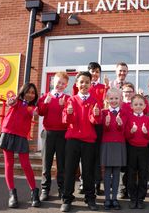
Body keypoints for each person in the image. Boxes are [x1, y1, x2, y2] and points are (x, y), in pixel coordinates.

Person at [60, 71, 101, 212]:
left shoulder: (94, 101)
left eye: (87, 82)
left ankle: (90, 198)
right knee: (70, 170)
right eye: (81, 82)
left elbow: (95, 121)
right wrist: (69, 113)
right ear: (77, 84)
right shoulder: (71, 100)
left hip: (88, 140)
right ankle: (67, 199)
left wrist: (96, 115)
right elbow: (66, 120)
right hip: (73, 140)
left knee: (88, 171)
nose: (84, 84)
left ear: (90, 85)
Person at [0, 83, 40, 208]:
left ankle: (34, 192)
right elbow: (11, 102)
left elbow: (34, 113)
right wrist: (11, 101)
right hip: (8, 133)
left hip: (21, 136)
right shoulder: (17, 101)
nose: (30, 94)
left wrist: (36, 111)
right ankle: (12, 194)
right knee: (9, 164)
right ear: (23, 92)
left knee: (26, 164)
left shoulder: (31, 107)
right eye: (28, 92)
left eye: (33, 93)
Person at [37, 72, 70, 201]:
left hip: (63, 134)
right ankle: (45, 189)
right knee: (47, 163)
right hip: (48, 133)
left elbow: (69, 118)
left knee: (62, 163)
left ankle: (62, 189)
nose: (60, 85)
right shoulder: (45, 96)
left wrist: (64, 107)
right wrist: (45, 103)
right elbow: (40, 113)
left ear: (66, 85)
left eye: (63, 83)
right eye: (58, 82)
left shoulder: (68, 99)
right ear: (52, 82)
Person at [78, 62, 109, 196]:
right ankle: (83, 182)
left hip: (98, 124)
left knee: (96, 154)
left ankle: (96, 183)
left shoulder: (103, 87)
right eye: (92, 71)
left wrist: (108, 88)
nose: (95, 74)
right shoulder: (83, 86)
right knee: (83, 156)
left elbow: (107, 103)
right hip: (84, 124)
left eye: (97, 72)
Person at [101, 88, 128, 210]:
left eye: (116, 98)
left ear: (120, 99)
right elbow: (103, 131)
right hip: (107, 144)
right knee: (107, 173)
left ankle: (115, 198)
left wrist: (120, 123)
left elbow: (124, 132)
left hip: (119, 145)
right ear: (107, 99)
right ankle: (107, 198)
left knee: (117, 173)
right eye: (111, 98)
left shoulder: (124, 113)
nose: (113, 100)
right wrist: (106, 124)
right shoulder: (103, 112)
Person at [125, 94, 149, 209]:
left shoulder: (147, 119)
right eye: (135, 104)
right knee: (131, 174)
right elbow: (126, 135)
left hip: (143, 150)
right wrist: (131, 131)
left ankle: (140, 198)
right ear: (131, 106)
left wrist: (146, 132)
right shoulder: (129, 118)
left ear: (145, 106)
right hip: (132, 149)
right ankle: (132, 198)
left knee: (143, 174)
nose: (138, 106)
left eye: (140, 104)